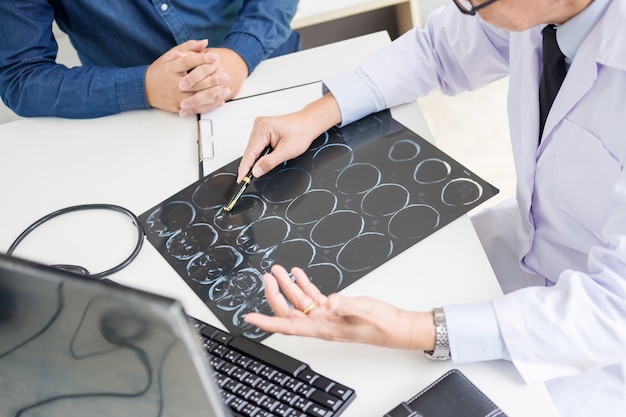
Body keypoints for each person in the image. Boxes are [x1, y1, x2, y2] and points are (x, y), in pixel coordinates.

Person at [238, 0, 626, 415]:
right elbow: (440, 48)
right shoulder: (540, 14)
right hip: (519, 253)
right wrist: (315, 115)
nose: (463, 4)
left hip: (593, 346)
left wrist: (413, 330)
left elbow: (613, 311)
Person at [0, 1, 299, 119]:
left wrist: (241, 53)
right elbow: (20, 77)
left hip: (270, 75)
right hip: (144, 123)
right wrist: (142, 87)